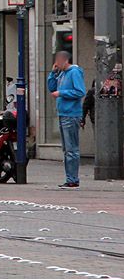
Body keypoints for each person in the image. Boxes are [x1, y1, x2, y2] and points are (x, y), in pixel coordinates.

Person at [47, 51, 86, 188]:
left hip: (71, 114)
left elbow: (80, 91)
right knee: (66, 148)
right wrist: (52, 74)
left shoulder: (74, 72)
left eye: (58, 61)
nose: (57, 64)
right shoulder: (61, 74)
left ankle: (73, 179)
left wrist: (62, 93)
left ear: (65, 60)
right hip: (63, 113)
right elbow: (51, 88)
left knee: (71, 148)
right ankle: (70, 178)